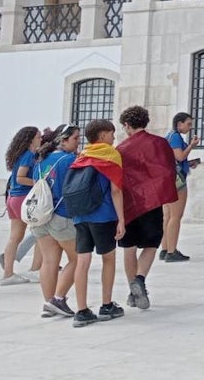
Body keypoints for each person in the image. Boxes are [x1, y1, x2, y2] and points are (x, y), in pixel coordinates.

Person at [116, 106, 178, 311]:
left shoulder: (121, 149)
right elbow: (168, 170)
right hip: (152, 202)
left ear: (127, 125)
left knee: (129, 247)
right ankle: (140, 280)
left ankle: (131, 289)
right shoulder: (160, 143)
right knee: (151, 244)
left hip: (128, 204)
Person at [69, 119, 126, 328]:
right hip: (103, 215)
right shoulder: (110, 154)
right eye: (112, 134)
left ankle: (82, 310)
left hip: (80, 216)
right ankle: (106, 305)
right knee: (108, 259)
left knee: (82, 262)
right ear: (102, 135)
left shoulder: (82, 156)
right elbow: (116, 190)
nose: (114, 137)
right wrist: (122, 219)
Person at [33, 124, 80, 318]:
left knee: (49, 261)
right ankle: (58, 298)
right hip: (62, 214)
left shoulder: (42, 160)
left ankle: (48, 301)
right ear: (64, 139)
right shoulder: (69, 159)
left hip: (40, 215)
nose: (79, 142)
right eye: (76, 138)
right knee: (77, 258)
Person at [1, 125, 40, 286]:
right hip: (24, 198)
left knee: (14, 237)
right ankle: (36, 269)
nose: (41, 139)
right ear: (31, 139)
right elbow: (20, 177)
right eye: (38, 137)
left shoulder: (20, 154)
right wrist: (38, 183)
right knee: (41, 233)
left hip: (13, 199)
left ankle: (8, 274)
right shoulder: (28, 155)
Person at [161, 112, 198, 263]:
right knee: (175, 216)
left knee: (168, 216)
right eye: (188, 124)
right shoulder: (175, 137)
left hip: (167, 178)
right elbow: (179, 157)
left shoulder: (169, 136)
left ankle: (165, 248)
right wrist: (191, 146)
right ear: (179, 124)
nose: (190, 127)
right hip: (176, 180)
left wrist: (190, 163)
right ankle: (171, 251)